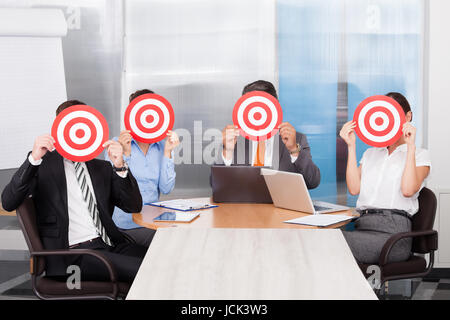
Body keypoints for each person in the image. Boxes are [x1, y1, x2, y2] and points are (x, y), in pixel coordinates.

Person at [1, 100, 146, 284]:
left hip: (108, 244)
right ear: (60, 129)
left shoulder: (101, 167)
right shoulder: (43, 165)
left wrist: (119, 166)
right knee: (145, 271)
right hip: (71, 257)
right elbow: (8, 201)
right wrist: (34, 158)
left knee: (160, 259)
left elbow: (133, 206)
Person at [340, 92, 431, 264]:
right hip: (363, 226)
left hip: (394, 236)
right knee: (326, 240)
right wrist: (351, 147)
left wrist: (410, 147)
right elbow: (354, 188)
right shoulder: (371, 153)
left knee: (332, 243)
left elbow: (408, 190)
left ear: (408, 116)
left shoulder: (420, 155)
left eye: (394, 114)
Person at [106, 89, 179, 247]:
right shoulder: (116, 144)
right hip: (126, 225)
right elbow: (116, 189)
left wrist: (168, 152)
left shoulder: (161, 146)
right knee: (171, 244)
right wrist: (126, 154)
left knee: (180, 239)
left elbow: (166, 189)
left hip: (154, 221)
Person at [218, 80, 320, 189]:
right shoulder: (233, 139)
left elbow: (312, 182)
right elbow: (216, 184)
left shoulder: (296, 139)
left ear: (274, 107)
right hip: (244, 204)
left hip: (282, 204)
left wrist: (294, 150)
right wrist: (227, 151)